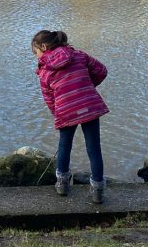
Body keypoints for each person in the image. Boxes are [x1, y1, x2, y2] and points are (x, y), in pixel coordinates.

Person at [32, 29, 109, 204]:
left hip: (66, 109)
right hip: (89, 105)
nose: (36, 57)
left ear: (44, 47)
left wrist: (57, 113)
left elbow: (49, 98)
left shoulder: (44, 71)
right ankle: (97, 191)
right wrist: (85, 86)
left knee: (64, 145)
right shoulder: (79, 55)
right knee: (94, 148)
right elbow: (102, 71)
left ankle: (62, 185)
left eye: (36, 53)